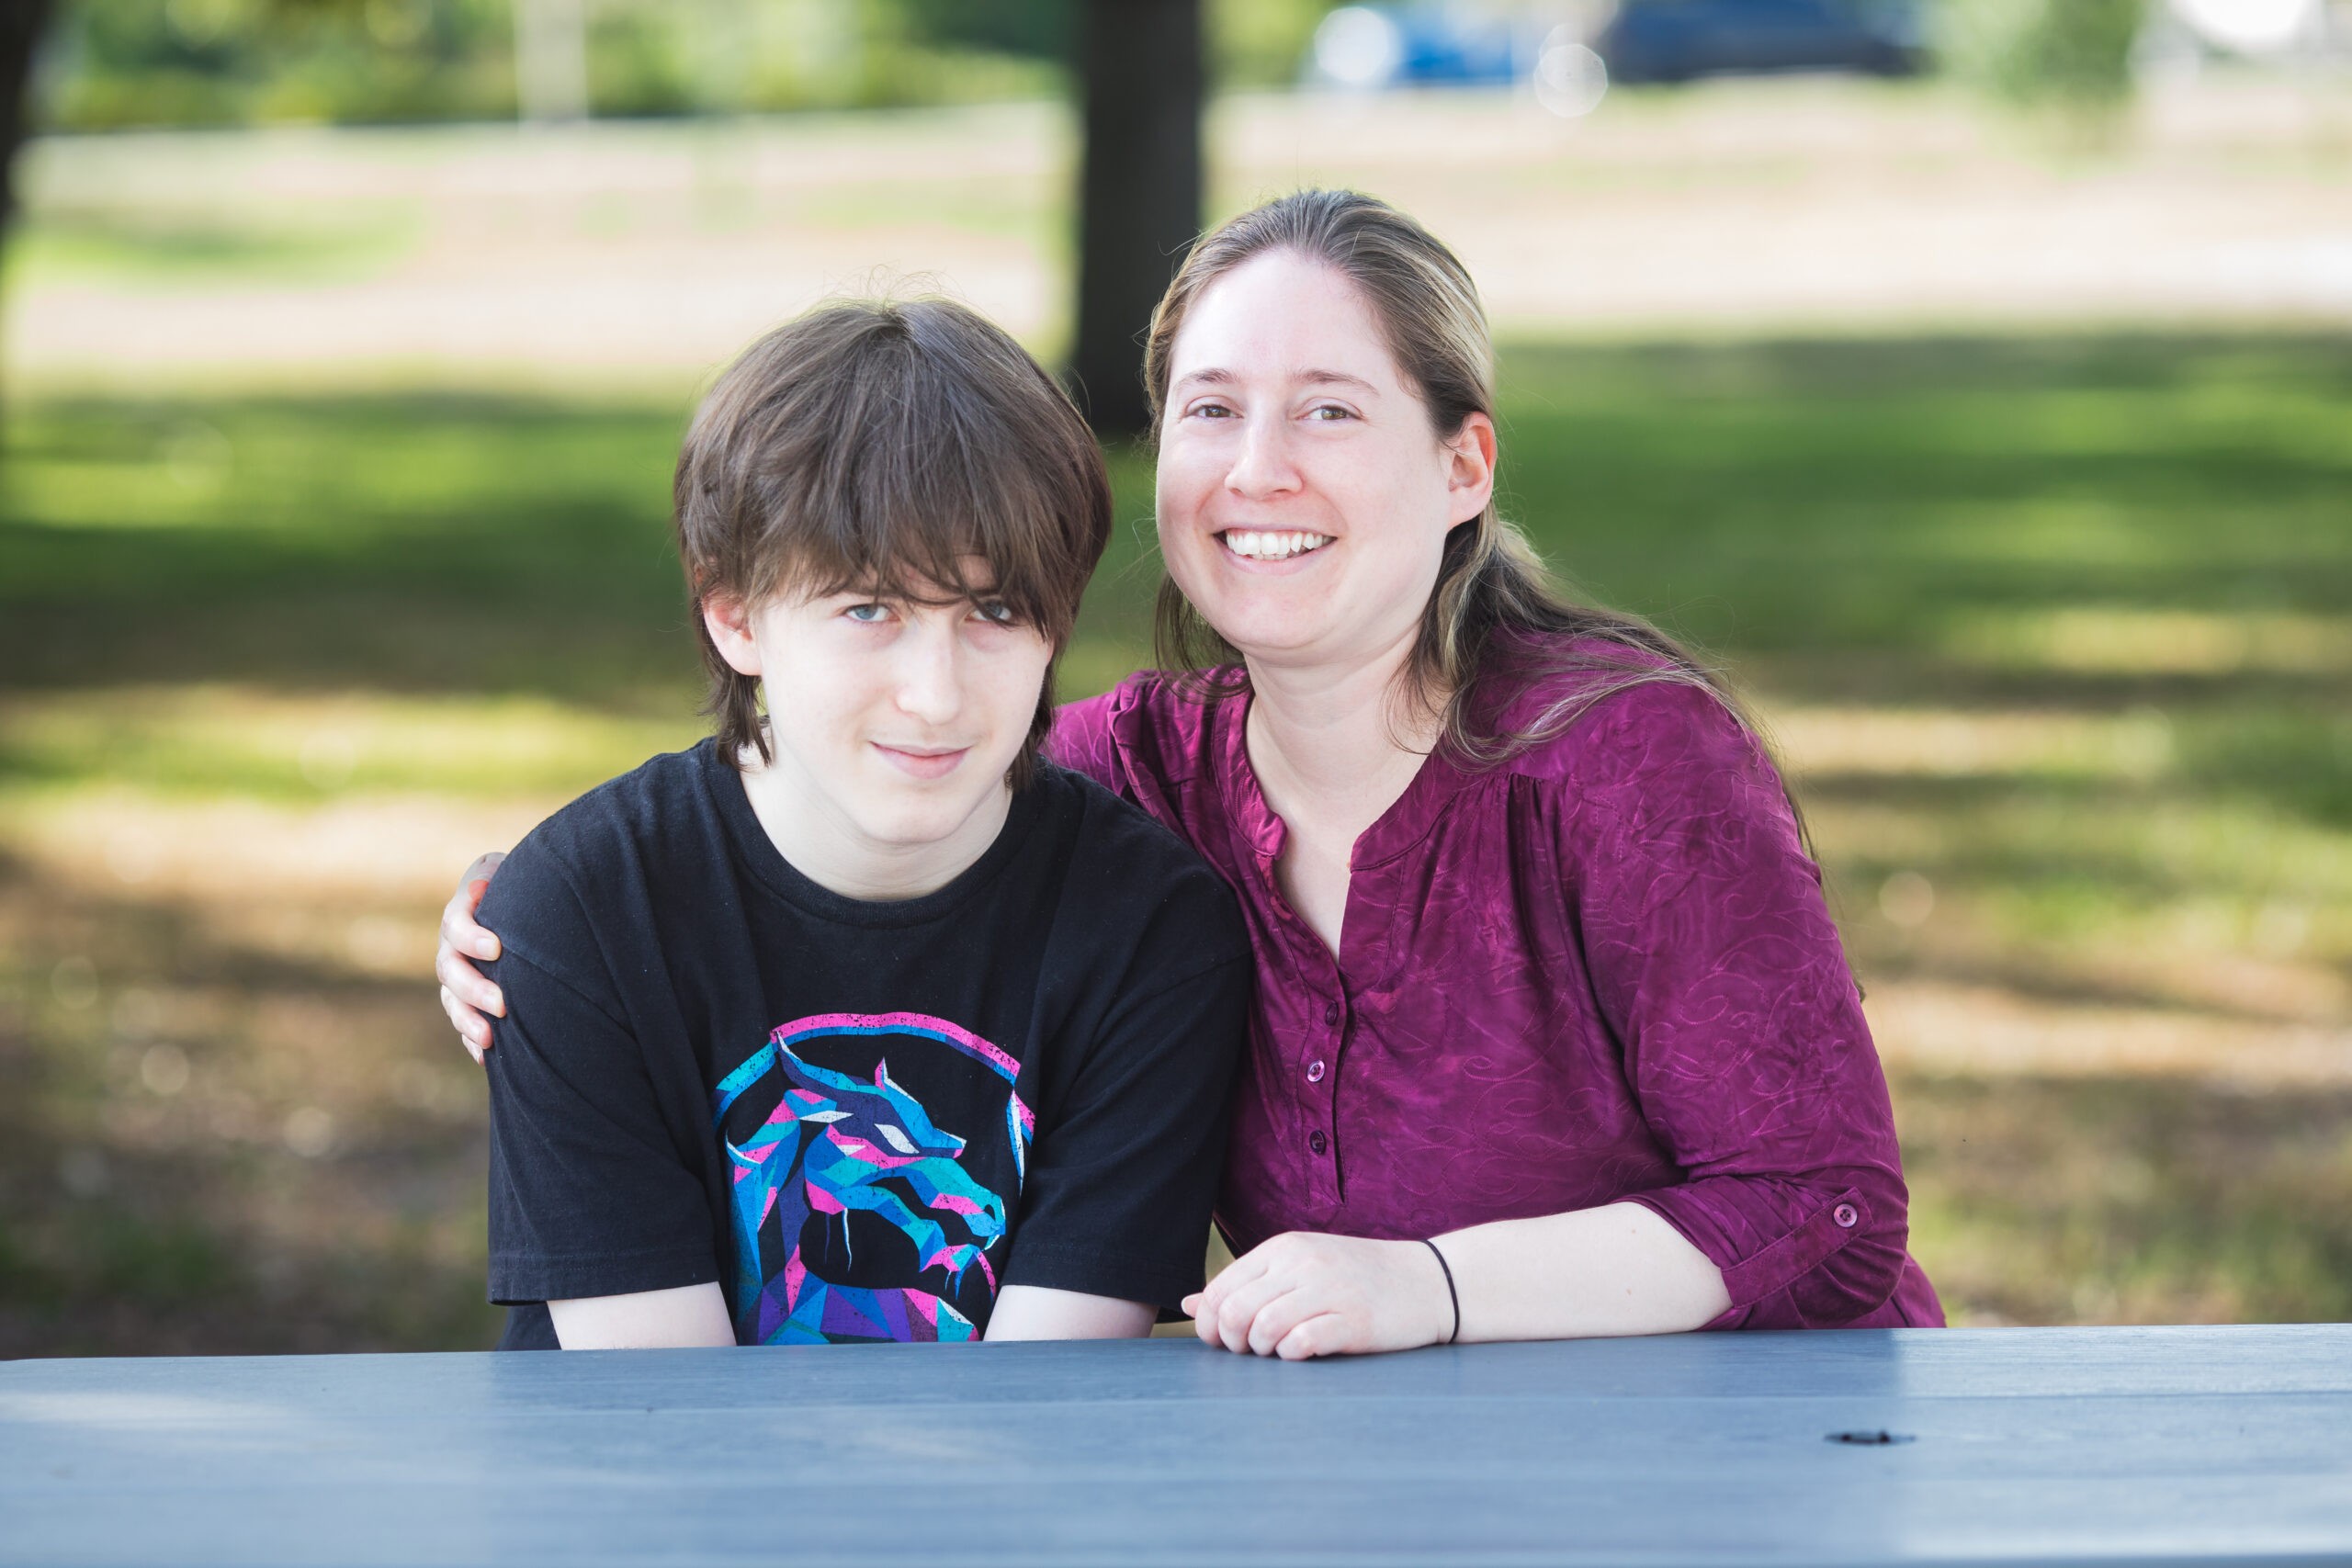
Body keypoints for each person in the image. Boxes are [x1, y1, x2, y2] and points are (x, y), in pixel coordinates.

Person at [442, 190, 1943, 1359]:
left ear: (1465, 464)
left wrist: (1429, 1283)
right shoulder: (1137, 772)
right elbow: (856, 796)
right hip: (1386, 1483)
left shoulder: (1625, 758)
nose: (1257, 467)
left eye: (1330, 408)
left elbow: (1824, 1205)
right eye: (1212, 408)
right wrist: (526, 921)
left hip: (1748, 1443)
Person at [470, 297, 1250, 1350]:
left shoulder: (1150, 934)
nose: (934, 696)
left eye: (993, 611)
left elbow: (1049, 1399)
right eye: (868, 609)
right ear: (734, 614)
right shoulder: (584, 918)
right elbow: (657, 1412)